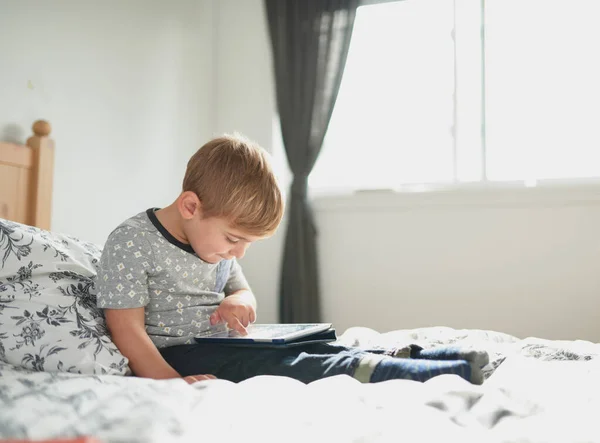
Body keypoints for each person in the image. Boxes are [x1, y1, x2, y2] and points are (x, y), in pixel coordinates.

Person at [95, 134, 488, 385]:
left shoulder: (214, 244)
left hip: (232, 342)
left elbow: (241, 289)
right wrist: (170, 382)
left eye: (247, 243)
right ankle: (411, 374)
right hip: (180, 353)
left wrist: (240, 302)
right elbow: (127, 331)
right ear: (190, 206)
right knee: (288, 368)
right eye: (234, 239)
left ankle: (415, 357)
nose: (238, 252)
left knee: (315, 345)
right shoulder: (132, 242)